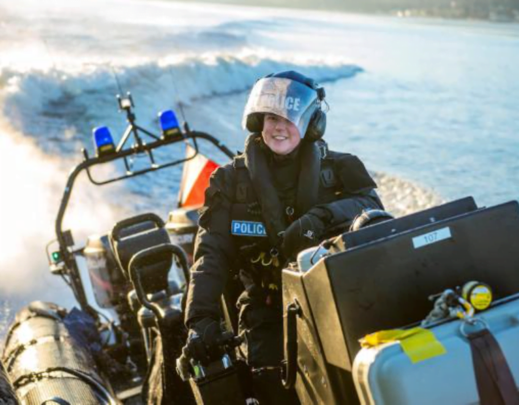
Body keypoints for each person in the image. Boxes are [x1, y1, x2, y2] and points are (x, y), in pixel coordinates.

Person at [183, 71, 384, 404]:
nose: (279, 126)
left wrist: (320, 218)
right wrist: (199, 320)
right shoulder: (230, 181)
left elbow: (374, 211)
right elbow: (211, 253)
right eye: (272, 117)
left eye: (290, 118)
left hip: (335, 299)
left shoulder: (342, 168)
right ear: (258, 121)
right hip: (265, 308)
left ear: (313, 124)